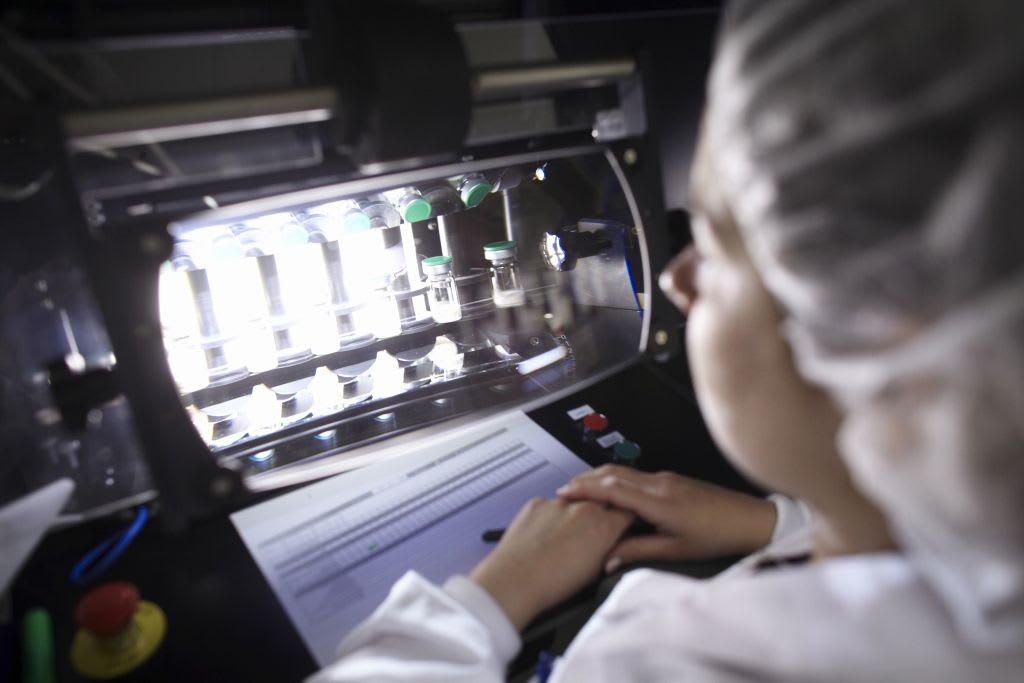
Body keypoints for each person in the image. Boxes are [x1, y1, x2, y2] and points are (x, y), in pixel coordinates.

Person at [309, 1, 1024, 680]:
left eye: (716, 245)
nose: (676, 279)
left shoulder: (674, 664)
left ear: (882, 339)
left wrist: (489, 597)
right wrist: (783, 523)